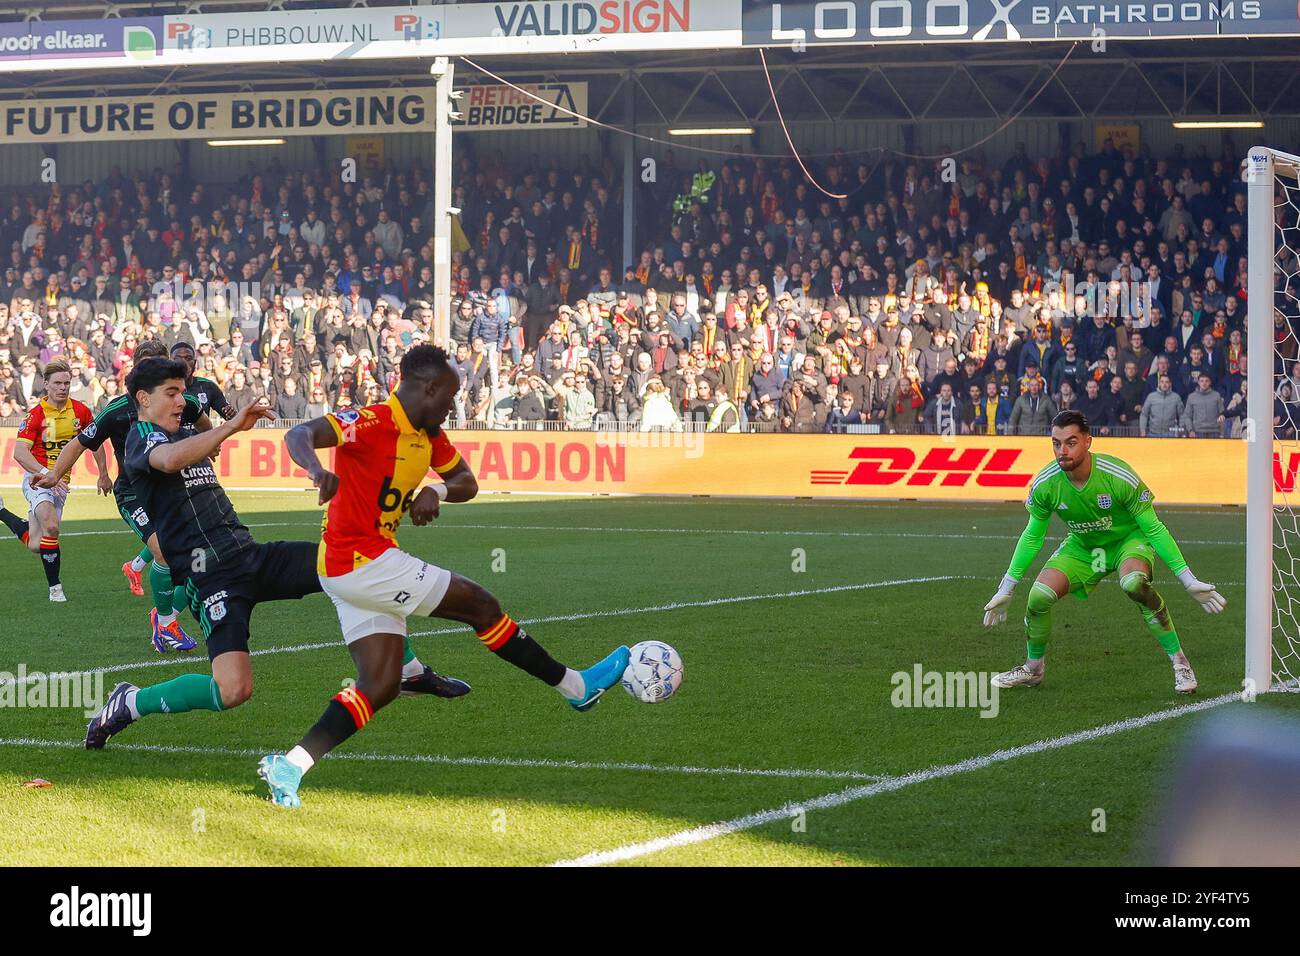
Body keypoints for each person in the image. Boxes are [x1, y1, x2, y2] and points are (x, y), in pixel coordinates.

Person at [258, 345, 632, 808]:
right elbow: (299, 432)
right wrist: (316, 469)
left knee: (380, 685)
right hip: (360, 561)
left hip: (351, 568)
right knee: (482, 605)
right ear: (428, 388)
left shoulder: (429, 435)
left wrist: (435, 488)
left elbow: (468, 483)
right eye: (450, 396)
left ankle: (289, 766)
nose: (454, 406)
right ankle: (577, 687)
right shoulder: (371, 421)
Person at [84, 357, 464, 751]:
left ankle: (409, 670)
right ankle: (129, 703)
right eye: (172, 393)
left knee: (358, 565)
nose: (183, 400)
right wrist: (231, 426)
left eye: (183, 391)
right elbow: (170, 460)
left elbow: (191, 445)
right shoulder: (140, 438)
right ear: (143, 398)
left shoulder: (182, 431)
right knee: (233, 690)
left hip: (250, 556)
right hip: (211, 578)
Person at [981, 410, 1225, 695]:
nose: (1063, 450)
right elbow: (1033, 535)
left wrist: (1188, 579)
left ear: (1088, 441)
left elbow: (1154, 529)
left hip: (1128, 541)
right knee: (1038, 597)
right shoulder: (1046, 483)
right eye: (1056, 443)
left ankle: (1180, 663)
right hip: (1083, 545)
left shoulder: (1117, 475)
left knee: (1133, 584)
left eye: (1071, 442)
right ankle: (1033, 669)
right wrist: (1007, 588)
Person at [36, 340, 206, 650]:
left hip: (173, 491)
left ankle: (162, 615)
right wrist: (54, 474)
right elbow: (79, 442)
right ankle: (167, 623)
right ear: (139, 372)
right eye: (153, 368)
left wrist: (212, 442)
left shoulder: (179, 400)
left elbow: (200, 418)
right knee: (163, 552)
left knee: (200, 562)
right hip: (134, 494)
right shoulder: (117, 409)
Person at [0, 358, 101, 601]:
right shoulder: (35, 416)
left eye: (66, 383)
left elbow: (95, 443)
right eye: (57, 383)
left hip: (60, 484)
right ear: (46, 384)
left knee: (37, 543)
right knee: (52, 526)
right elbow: (20, 453)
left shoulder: (81, 411)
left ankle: (2, 512)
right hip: (37, 479)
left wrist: (105, 475)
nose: (62, 387)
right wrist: (47, 474)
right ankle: (55, 589)